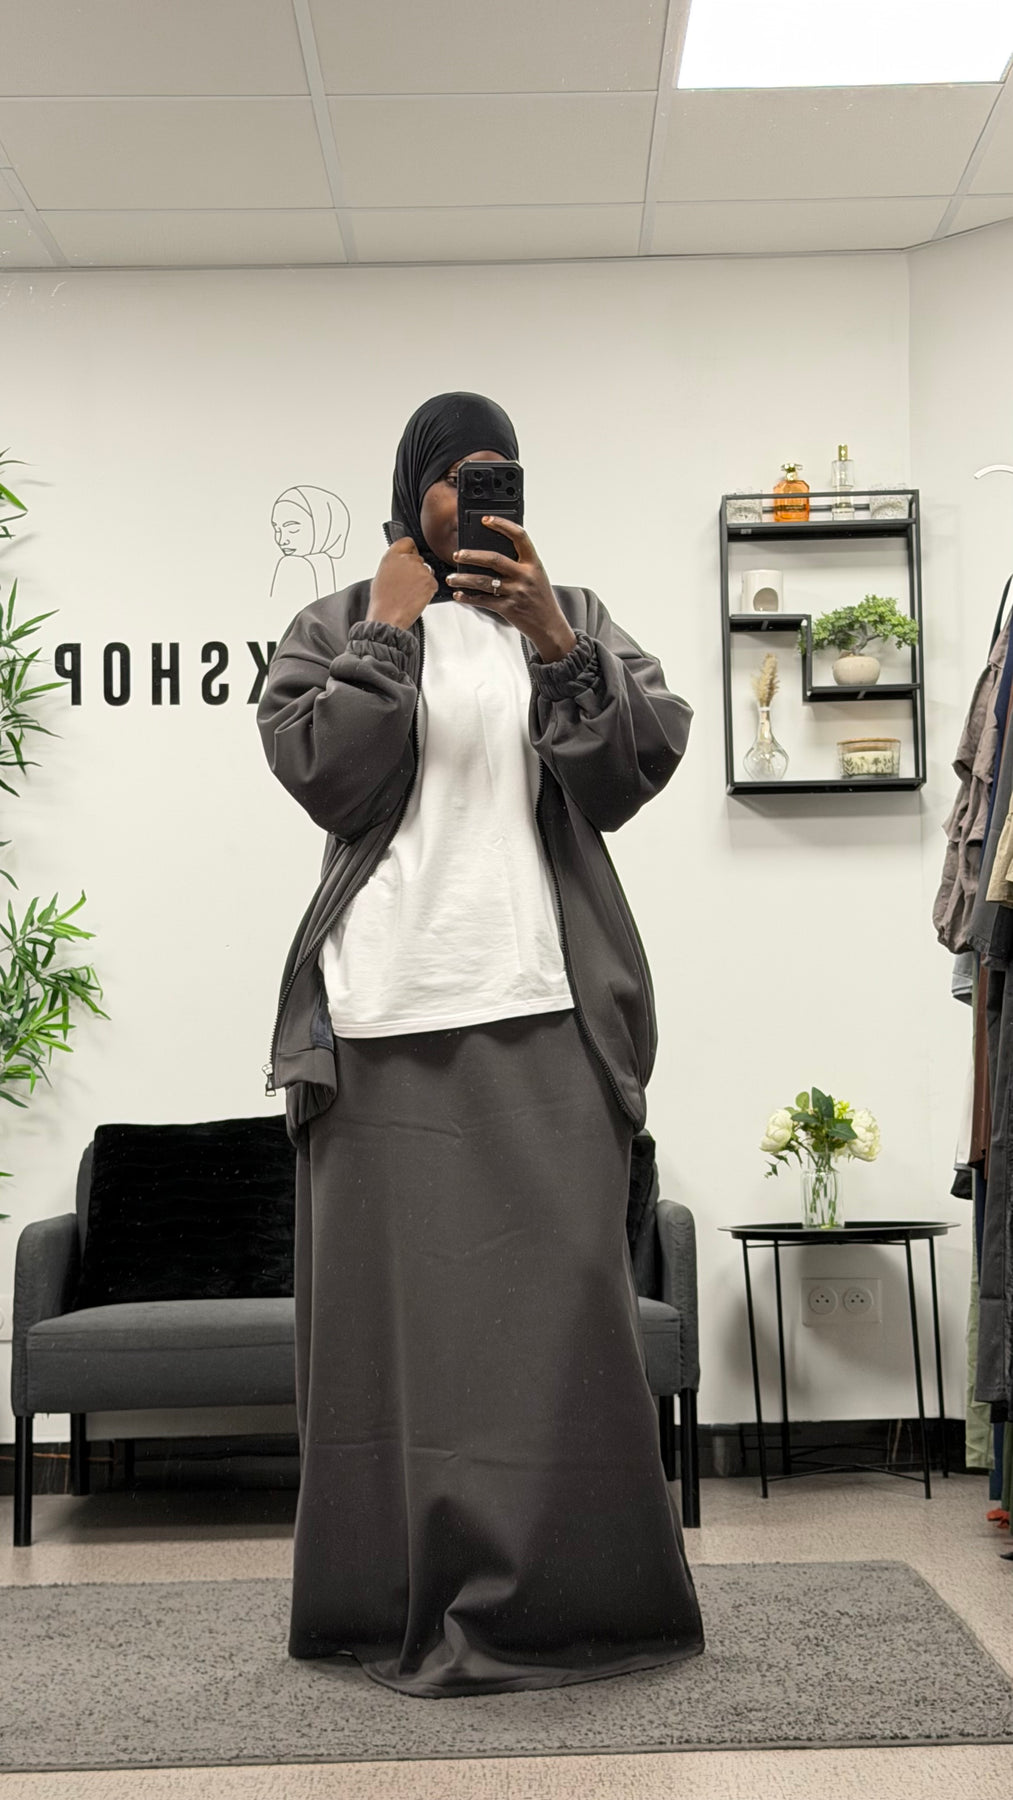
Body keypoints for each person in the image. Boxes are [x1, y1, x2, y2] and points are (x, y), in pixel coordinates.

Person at [256, 390, 704, 1699]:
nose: (479, 493)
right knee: (385, 1349)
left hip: (546, 1016)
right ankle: (377, 1606)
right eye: (455, 472)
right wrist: (390, 630)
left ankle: (577, 1610)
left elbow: (627, 774)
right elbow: (329, 776)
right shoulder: (336, 622)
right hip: (378, 1028)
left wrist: (554, 636)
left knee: (564, 1329)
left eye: (501, 471)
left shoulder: (571, 614)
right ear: (412, 487)